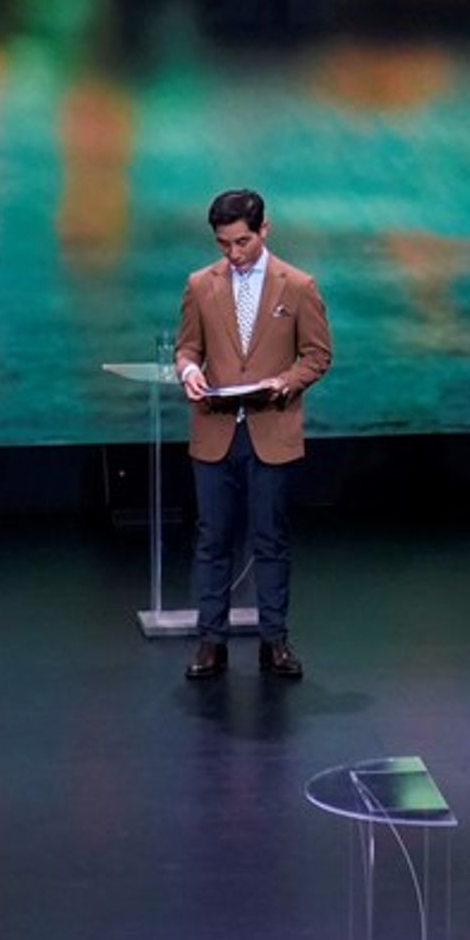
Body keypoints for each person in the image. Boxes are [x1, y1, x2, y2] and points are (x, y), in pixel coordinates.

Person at [174, 188, 333, 680]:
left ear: (264, 230)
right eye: (223, 244)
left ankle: (274, 641)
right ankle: (211, 642)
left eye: (241, 242)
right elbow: (187, 348)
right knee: (212, 539)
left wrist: (285, 382)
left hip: (271, 428)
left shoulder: (299, 286)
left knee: (270, 539)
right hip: (216, 429)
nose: (233, 253)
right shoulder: (201, 285)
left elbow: (317, 354)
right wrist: (188, 373)